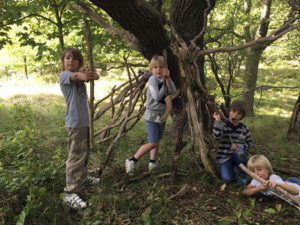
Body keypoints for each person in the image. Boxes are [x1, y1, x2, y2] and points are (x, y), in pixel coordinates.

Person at [60, 48, 100, 209]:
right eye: (67, 58)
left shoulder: (79, 75)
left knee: (84, 153)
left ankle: (82, 178)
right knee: (76, 156)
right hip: (75, 123)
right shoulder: (65, 76)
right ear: (63, 62)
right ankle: (70, 192)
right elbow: (77, 76)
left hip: (83, 122)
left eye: (74, 59)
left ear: (79, 62)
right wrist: (84, 75)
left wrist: (90, 73)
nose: (70, 60)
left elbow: (94, 76)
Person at [125, 55, 176, 175]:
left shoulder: (164, 79)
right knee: (152, 142)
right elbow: (157, 97)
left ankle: (152, 163)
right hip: (152, 116)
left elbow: (173, 90)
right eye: (155, 67)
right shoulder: (152, 80)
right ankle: (132, 160)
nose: (158, 69)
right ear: (151, 70)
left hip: (161, 115)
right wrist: (165, 84)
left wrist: (168, 79)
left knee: (156, 141)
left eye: (161, 67)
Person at [212, 100, 252, 186]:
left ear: (242, 116)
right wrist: (218, 122)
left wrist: (239, 146)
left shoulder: (244, 128)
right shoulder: (223, 124)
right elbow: (216, 137)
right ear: (229, 111)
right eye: (233, 111)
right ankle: (233, 169)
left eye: (239, 114)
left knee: (239, 152)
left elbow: (249, 143)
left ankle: (242, 177)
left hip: (239, 157)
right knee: (227, 179)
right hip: (225, 157)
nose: (235, 115)